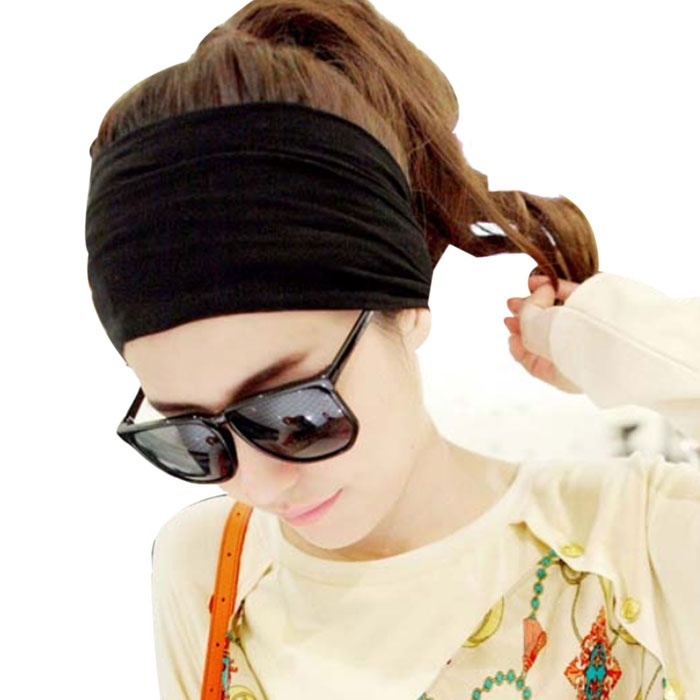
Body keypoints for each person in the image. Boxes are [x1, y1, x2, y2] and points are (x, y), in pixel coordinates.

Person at [83, 1, 699, 698]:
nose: (257, 484)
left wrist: (617, 343)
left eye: (296, 413)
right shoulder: (209, 570)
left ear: (404, 310)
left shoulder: (641, 543)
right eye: (195, 440)